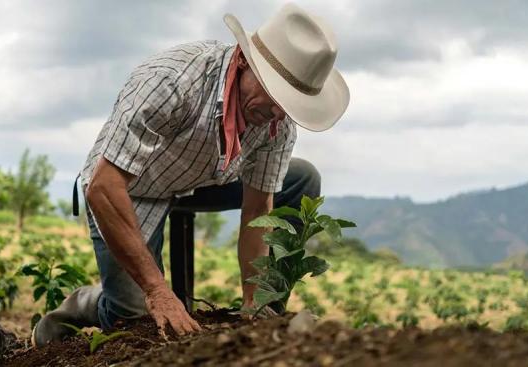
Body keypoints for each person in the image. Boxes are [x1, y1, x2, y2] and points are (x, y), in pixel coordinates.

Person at [32, 2, 349, 346]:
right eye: (274, 96)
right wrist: (157, 290)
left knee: (302, 178)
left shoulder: (276, 121)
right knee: (133, 316)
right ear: (244, 62)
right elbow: (104, 187)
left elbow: (259, 210)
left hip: (202, 178)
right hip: (130, 187)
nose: (277, 113)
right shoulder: (172, 82)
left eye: (288, 104)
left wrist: (253, 307)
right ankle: (85, 303)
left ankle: (268, 312)